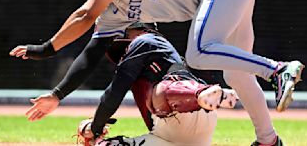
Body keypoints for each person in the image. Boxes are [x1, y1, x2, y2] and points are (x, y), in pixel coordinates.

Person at [10, 0, 304, 145]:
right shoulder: (114, 11)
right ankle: (269, 140)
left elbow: (85, 15)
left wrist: (45, 50)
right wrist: (57, 95)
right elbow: (91, 54)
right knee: (237, 73)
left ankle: (278, 70)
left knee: (199, 53)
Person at [27, 23, 239, 146]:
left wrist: (95, 126)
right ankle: (202, 95)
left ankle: (203, 94)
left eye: (124, 37)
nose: (122, 50)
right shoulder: (151, 56)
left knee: (159, 92)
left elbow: (114, 93)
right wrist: (96, 138)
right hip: (173, 134)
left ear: (139, 29)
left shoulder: (146, 40)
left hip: (186, 106)